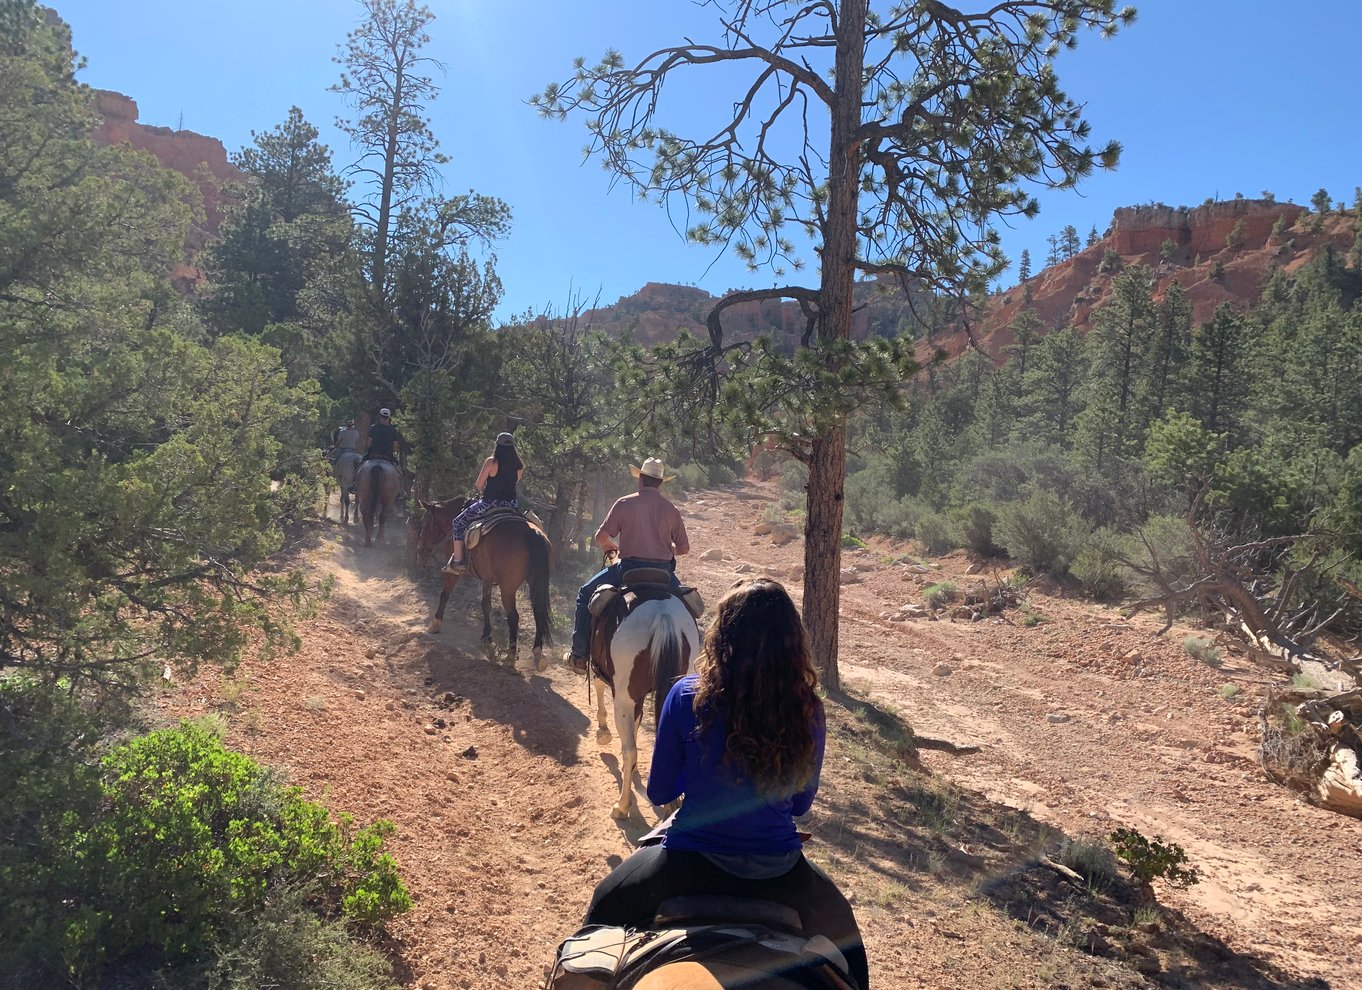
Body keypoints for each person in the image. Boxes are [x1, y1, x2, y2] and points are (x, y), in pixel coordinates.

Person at [582, 580, 869, 990]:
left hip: (684, 865)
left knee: (601, 912)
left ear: (722, 635)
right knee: (853, 959)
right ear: (792, 641)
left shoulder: (685, 696)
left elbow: (661, 791)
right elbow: (802, 803)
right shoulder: (808, 707)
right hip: (780, 868)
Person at [565, 457, 688, 671]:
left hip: (629, 569)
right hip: (663, 573)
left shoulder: (624, 503)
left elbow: (600, 537)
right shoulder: (671, 510)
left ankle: (579, 655)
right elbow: (684, 549)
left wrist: (611, 547)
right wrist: (668, 550)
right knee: (688, 605)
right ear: (660, 483)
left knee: (585, 593)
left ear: (640, 479)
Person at [442, 432, 524, 574]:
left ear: (497, 445)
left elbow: (479, 484)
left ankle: (459, 561)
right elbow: (513, 483)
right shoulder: (519, 465)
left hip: (490, 503)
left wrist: (482, 492)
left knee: (458, 523)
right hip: (511, 505)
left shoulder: (491, 462)